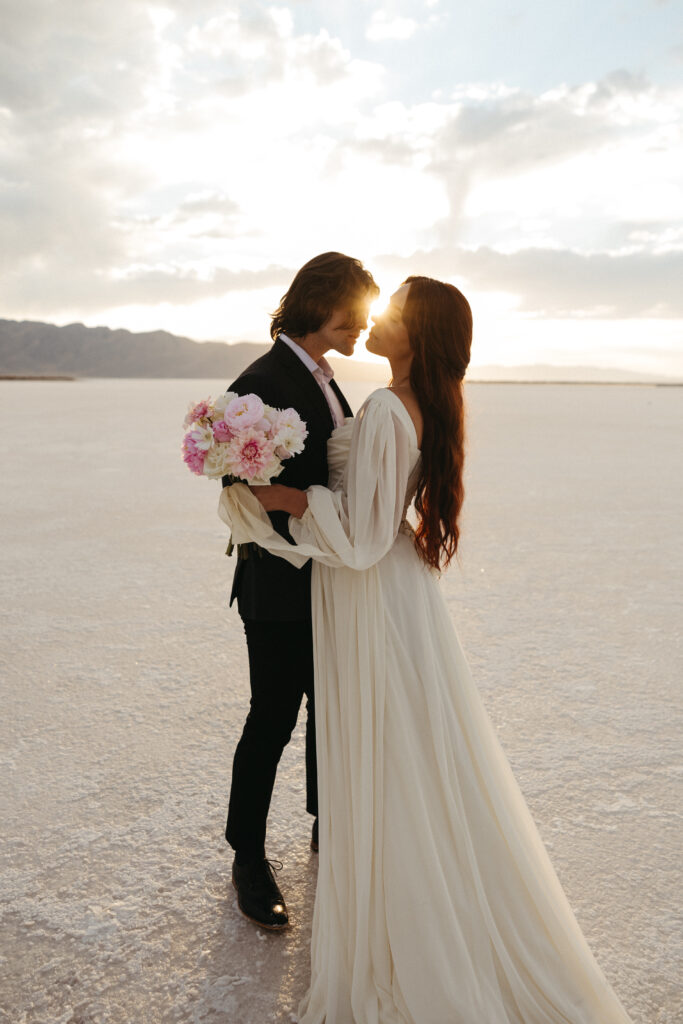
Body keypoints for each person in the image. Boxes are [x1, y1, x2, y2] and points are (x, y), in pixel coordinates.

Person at [219, 277, 633, 1022]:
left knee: (381, 737)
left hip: (366, 590)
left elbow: (363, 533)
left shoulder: (382, 405)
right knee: (361, 730)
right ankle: (289, 852)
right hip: (375, 590)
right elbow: (379, 507)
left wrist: (290, 501)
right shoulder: (399, 400)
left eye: (396, 310)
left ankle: (382, 872)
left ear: (418, 335)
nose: (379, 318)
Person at [223, 252, 379, 933]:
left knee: (328, 705)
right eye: (358, 313)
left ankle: (324, 827)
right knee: (274, 713)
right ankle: (248, 856)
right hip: (278, 581)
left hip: (326, 575)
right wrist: (293, 502)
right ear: (324, 304)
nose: (365, 328)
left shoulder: (321, 377)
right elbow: (242, 483)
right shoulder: (262, 382)